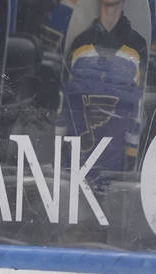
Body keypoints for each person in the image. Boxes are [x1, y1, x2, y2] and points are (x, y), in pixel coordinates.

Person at [58, 0, 149, 174]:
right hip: (77, 163)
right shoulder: (79, 44)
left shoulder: (137, 47)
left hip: (116, 167)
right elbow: (65, 110)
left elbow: (138, 110)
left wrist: (130, 165)